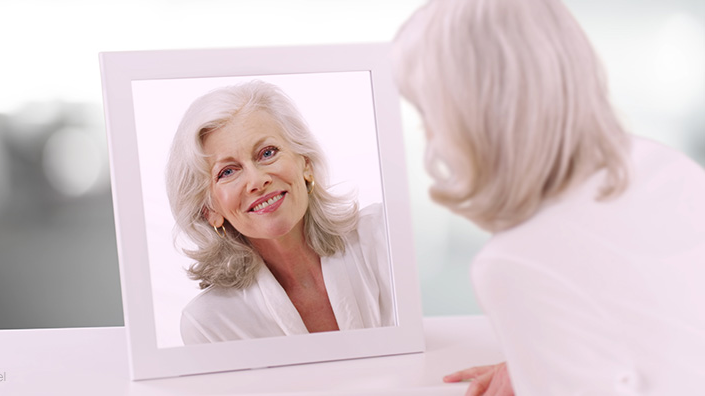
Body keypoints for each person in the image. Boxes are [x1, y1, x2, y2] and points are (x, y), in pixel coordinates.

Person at [393, 0, 705, 394]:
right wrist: (542, 355)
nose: (428, 134)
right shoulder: (665, 165)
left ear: (470, 118)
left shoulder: (515, 263)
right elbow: (663, 327)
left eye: (428, 113)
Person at [165, 80, 394, 344]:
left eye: (267, 153)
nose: (257, 181)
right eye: (227, 171)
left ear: (305, 164)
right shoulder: (209, 323)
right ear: (210, 211)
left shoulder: (385, 236)